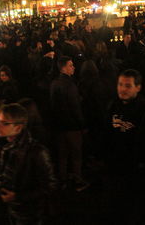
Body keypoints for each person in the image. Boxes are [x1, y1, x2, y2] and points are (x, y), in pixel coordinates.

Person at [101, 69, 145, 224]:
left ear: (138, 87)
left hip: (139, 175)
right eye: (120, 84)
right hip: (116, 172)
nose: (122, 89)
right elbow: (106, 136)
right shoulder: (112, 106)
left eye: (128, 85)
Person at [0, 103, 57, 225]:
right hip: (10, 210)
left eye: (4, 123)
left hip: (31, 213)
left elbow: (49, 186)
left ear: (18, 127)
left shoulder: (36, 152)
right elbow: (5, 173)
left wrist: (18, 196)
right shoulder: (3, 147)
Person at [50, 56, 89, 191]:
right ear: (64, 68)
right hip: (72, 127)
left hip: (59, 126)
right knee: (76, 155)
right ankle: (78, 180)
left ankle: (63, 180)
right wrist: (82, 125)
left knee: (62, 155)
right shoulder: (70, 85)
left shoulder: (54, 83)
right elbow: (75, 108)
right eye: (71, 65)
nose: (74, 67)